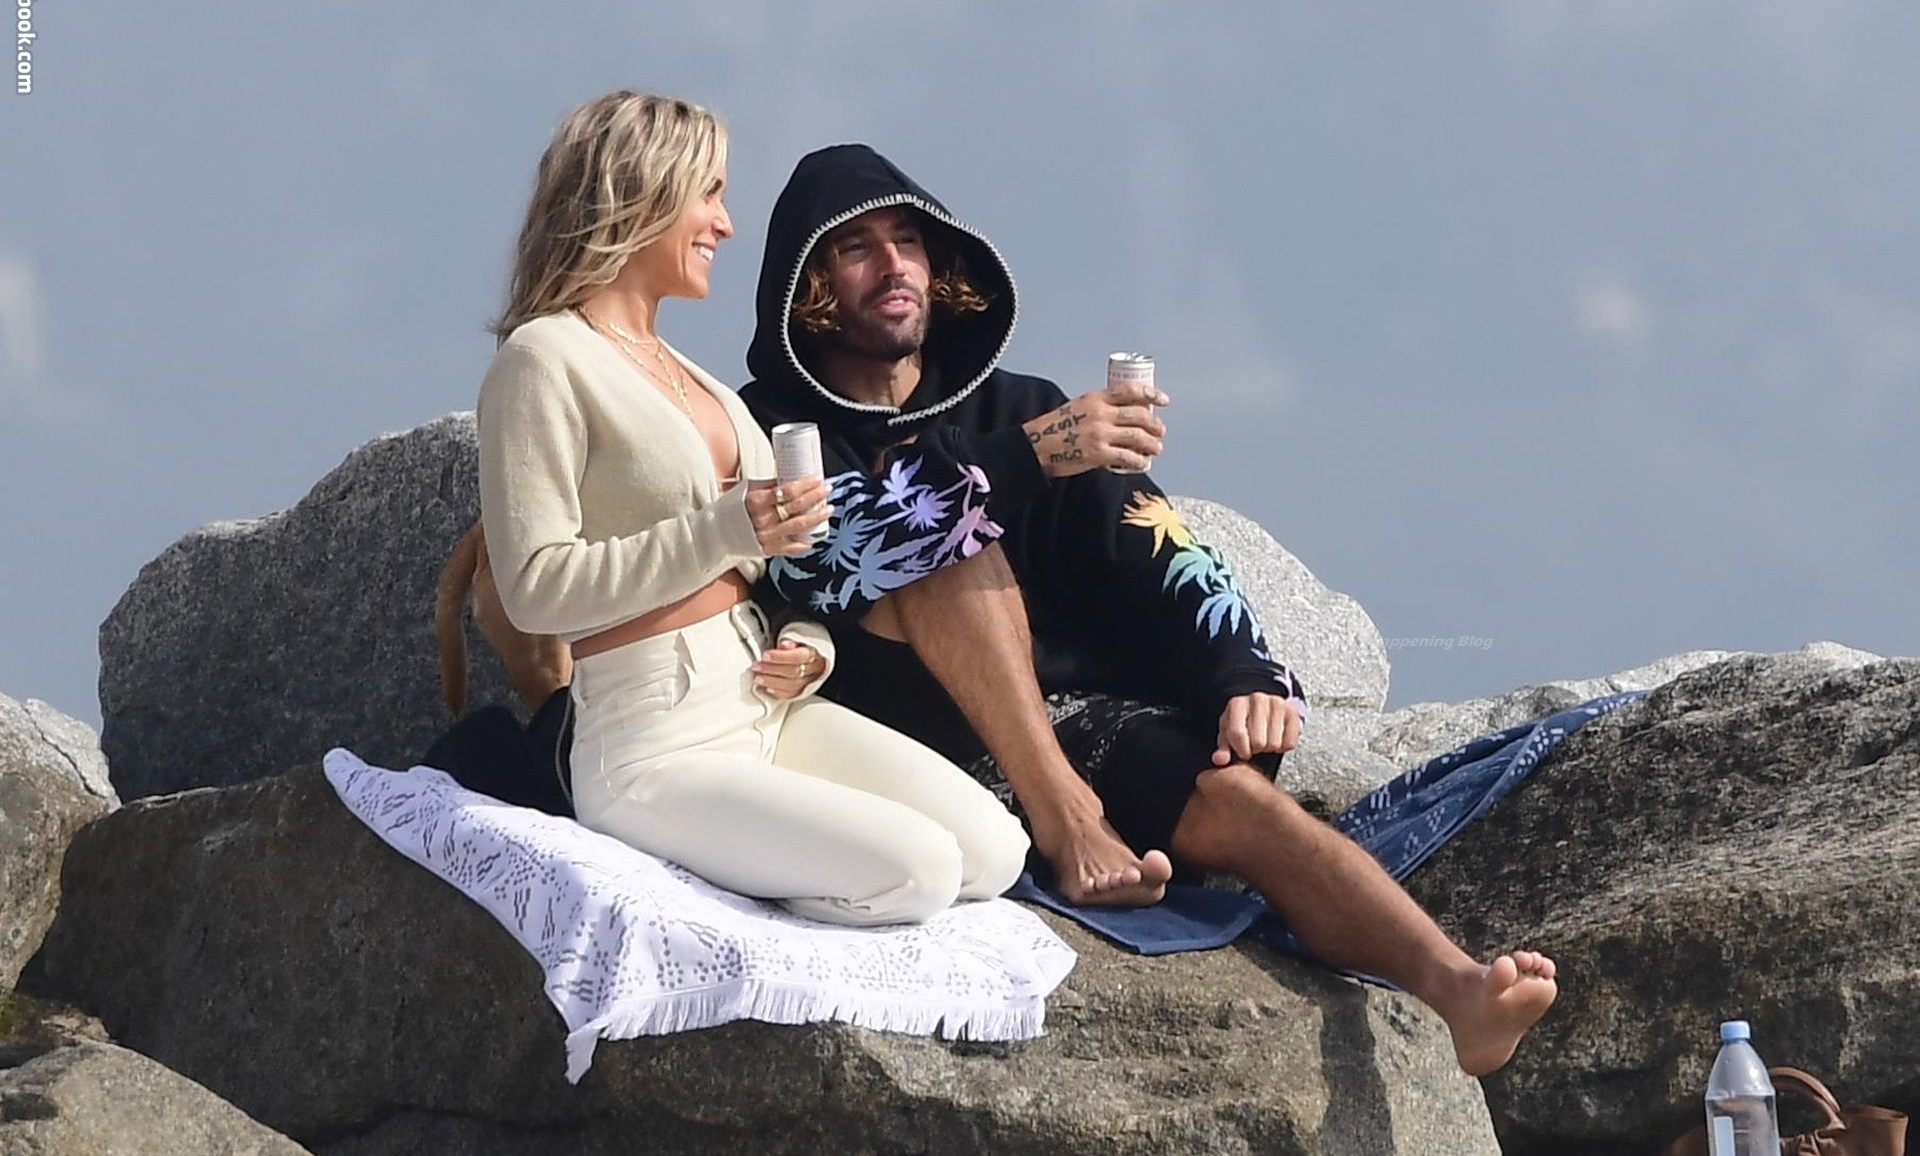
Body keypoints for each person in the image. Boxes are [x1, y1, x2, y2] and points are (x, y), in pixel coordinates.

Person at [738, 144, 1557, 1073]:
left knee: (1237, 802)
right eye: (857, 249)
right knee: (942, 543)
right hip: (897, 737)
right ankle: (1066, 821)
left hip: (1068, 724)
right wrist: (1031, 454)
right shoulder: (770, 429)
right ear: (811, 286)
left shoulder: (1019, 405)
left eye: (910, 241)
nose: (894, 266)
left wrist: (1243, 672)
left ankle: (1456, 991)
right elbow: (827, 560)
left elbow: (1153, 536)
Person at [477, 97, 1028, 925]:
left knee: (994, 850)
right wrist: (725, 528)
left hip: (768, 707)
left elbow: (781, 574)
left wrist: (809, 644)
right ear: (643, 191)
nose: (725, 224)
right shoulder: (543, 359)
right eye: (709, 194)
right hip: (652, 745)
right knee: (919, 871)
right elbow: (532, 588)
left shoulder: (695, 379)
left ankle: (751, 870)